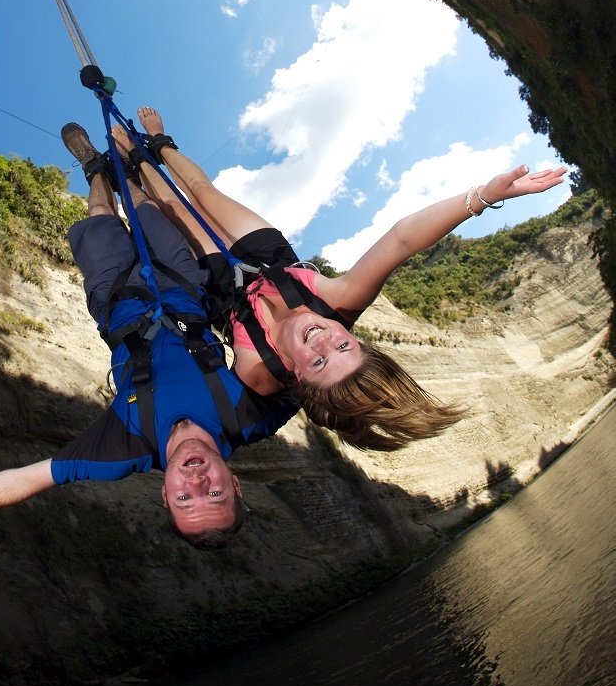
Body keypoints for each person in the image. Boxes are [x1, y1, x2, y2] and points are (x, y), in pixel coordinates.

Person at [0, 124, 297, 551]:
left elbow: (27, 479)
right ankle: (124, 176)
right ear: (236, 485)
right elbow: (323, 380)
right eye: (214, 493)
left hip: (118, 300)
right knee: (144, 211)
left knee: (101, 217)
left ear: (164, 494)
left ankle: (94, 171)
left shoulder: (124, 447)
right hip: (184, 289)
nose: (196, 481)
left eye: (183, 498)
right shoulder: (252, 417)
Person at [113, 106, 568, 451]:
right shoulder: (341, 302)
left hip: (224, 293)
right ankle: (159, 142)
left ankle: (136, 166)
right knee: (204, 193)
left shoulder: (260, 373)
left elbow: (213, 410)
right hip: (269, 260)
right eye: (343, 346)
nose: (322, 340)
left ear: (298, 378)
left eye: (317, 362)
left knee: (173, 210)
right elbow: (402, 240)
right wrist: (484, 196)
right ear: (358, 340)